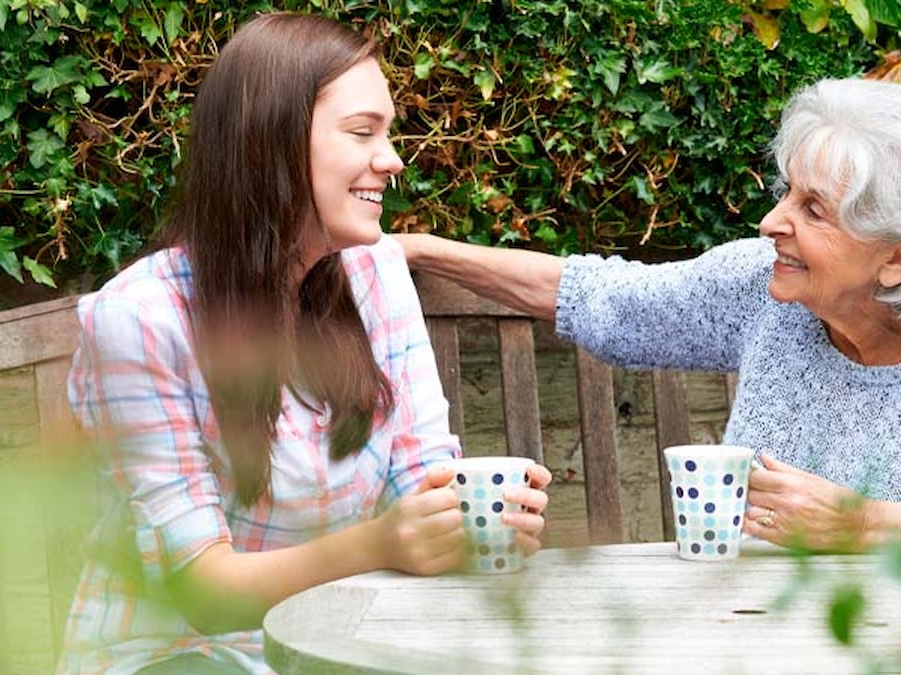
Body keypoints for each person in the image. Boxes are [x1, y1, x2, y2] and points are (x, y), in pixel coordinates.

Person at [396, 77, 901, 558]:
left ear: (900, 258)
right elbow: (604, 298)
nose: (772, 221)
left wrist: (865, 523)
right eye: (786, 192)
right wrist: (421, 250)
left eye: (812, 209)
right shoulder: (765, 288)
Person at [59, 12, 550, 674]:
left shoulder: (374, 274)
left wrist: (469, 518)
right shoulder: (140, 319)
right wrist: (380, 544)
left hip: (337, 644)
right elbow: (202, 589)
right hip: (176, 655)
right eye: (361, 132)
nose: (393, 159)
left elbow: (420, 476)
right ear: (273, 143)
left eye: (389, 131)